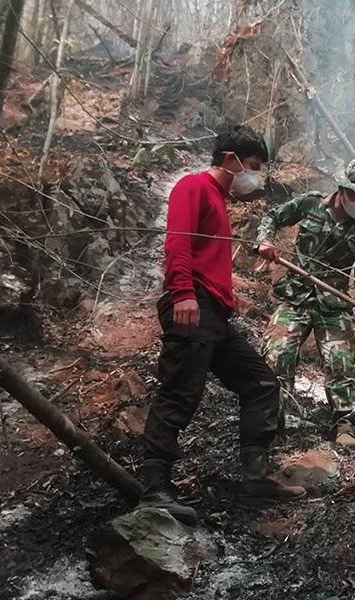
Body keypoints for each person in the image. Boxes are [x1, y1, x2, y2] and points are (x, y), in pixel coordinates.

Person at [138, 125, 305, 526]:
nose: (254, 177)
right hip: (194, 303)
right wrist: (182, 293)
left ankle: (255, 476)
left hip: (215, 312)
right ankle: (154, 490)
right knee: (180, 391)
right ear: (229, 159)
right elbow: (177, 240)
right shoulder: (193, 186)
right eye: (251, 166)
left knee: (261, 383)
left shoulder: (218, 198)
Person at [256, 159, 355, 446]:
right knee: (277, 354)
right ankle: (272, 418)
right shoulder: (310, 205)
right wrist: (266, 241)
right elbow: (272, 218)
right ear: (342, 189)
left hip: (333, 302)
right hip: (296, 295)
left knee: (340, 361)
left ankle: (344, 422)